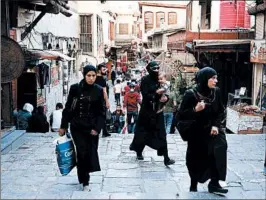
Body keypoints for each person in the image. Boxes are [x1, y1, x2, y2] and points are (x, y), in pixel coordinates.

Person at [178, 67, 228, 194]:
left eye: (216, 78)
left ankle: (215, 183)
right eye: (213, 78)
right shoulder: (191, 94)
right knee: (196, 158)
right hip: (196, 133)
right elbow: (181, 115)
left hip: (212, 131)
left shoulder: (216, 92)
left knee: (219, 151)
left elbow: (221, 112)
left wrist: (216, 126)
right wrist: (195, 110)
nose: (216, 81)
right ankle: (193, 184)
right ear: (204, 79)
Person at [59, 65, 105, 191]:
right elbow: (68, 107)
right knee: (82, 152)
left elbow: (102, 112)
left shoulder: (99, 90)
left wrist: (97, 128)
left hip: (91, 127)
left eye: (93, 76)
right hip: (77, 126)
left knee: (90, 153)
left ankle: (84, 176)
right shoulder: (75, 88)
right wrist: (63, 126)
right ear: (84, 75)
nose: (91, 78)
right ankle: (85, 181)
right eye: (88, 76)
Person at [129, 61, 175, 166]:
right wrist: (156, 93)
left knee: (162, 134)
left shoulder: (159, 79)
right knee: (142, 133)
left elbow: (167, 94)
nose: (156, 70)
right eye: (154, 69)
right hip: (146, 112)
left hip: (158, 112)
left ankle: (166, 158)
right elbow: (145, 95)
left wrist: (165, 98)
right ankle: (139, 151)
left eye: (158, 68)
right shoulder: (145, 80)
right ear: (149, 69)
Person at [95, 63, 111, 137]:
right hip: (101, 101)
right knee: (102, 116)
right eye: (103, 69)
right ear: (99, 70)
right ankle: (103, 131)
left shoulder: (94, 78)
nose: (105, 71)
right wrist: (107, 101)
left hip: (95, 100)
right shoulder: (101, 79)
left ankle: (104, 131)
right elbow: (104, 91)